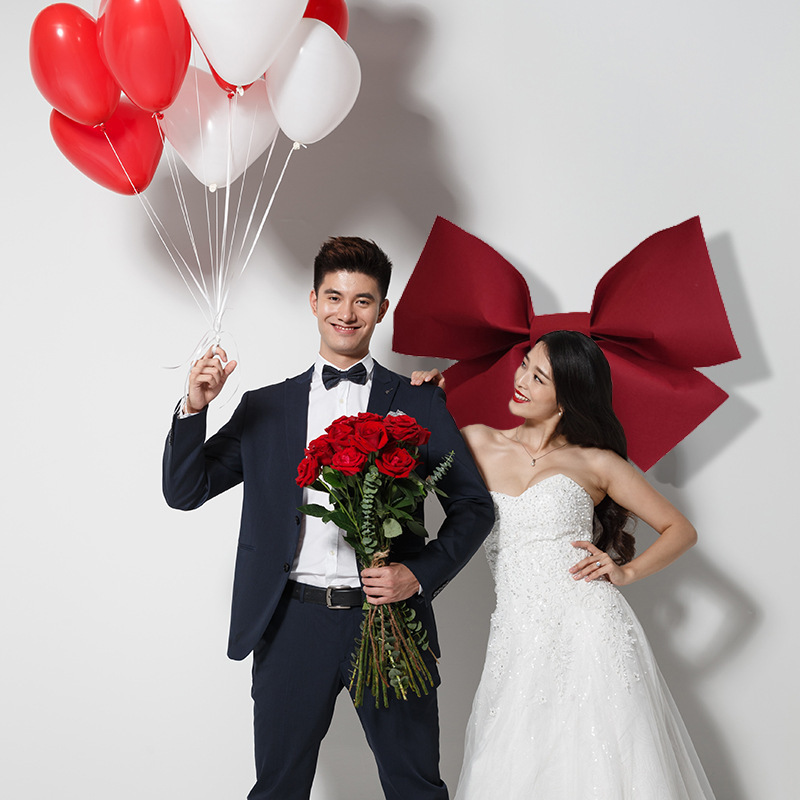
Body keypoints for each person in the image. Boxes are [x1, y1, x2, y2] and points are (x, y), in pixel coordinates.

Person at [162, 236, 494, 800]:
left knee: (415, 787)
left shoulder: (418, 403)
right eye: (335, 297)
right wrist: (195, 407)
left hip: (388, 622)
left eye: (363, 300)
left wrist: (419, 574)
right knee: (278, 789)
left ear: (382, 309)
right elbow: (184, 491)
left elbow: (474, 505)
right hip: (291, 623)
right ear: (313, 301)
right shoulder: (265, 407)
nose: (347, 313)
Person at [411, 330, 716, 799]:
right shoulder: (476, 442)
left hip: (591, 628)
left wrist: (626, 571)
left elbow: (680, 529)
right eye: (524, 365)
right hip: (516, 631)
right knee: (514, 761)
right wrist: (425, 404)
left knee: (601, 764)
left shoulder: (597, 462)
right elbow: (405, 471)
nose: (521, 380)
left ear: (567, 396)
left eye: (539, 377)